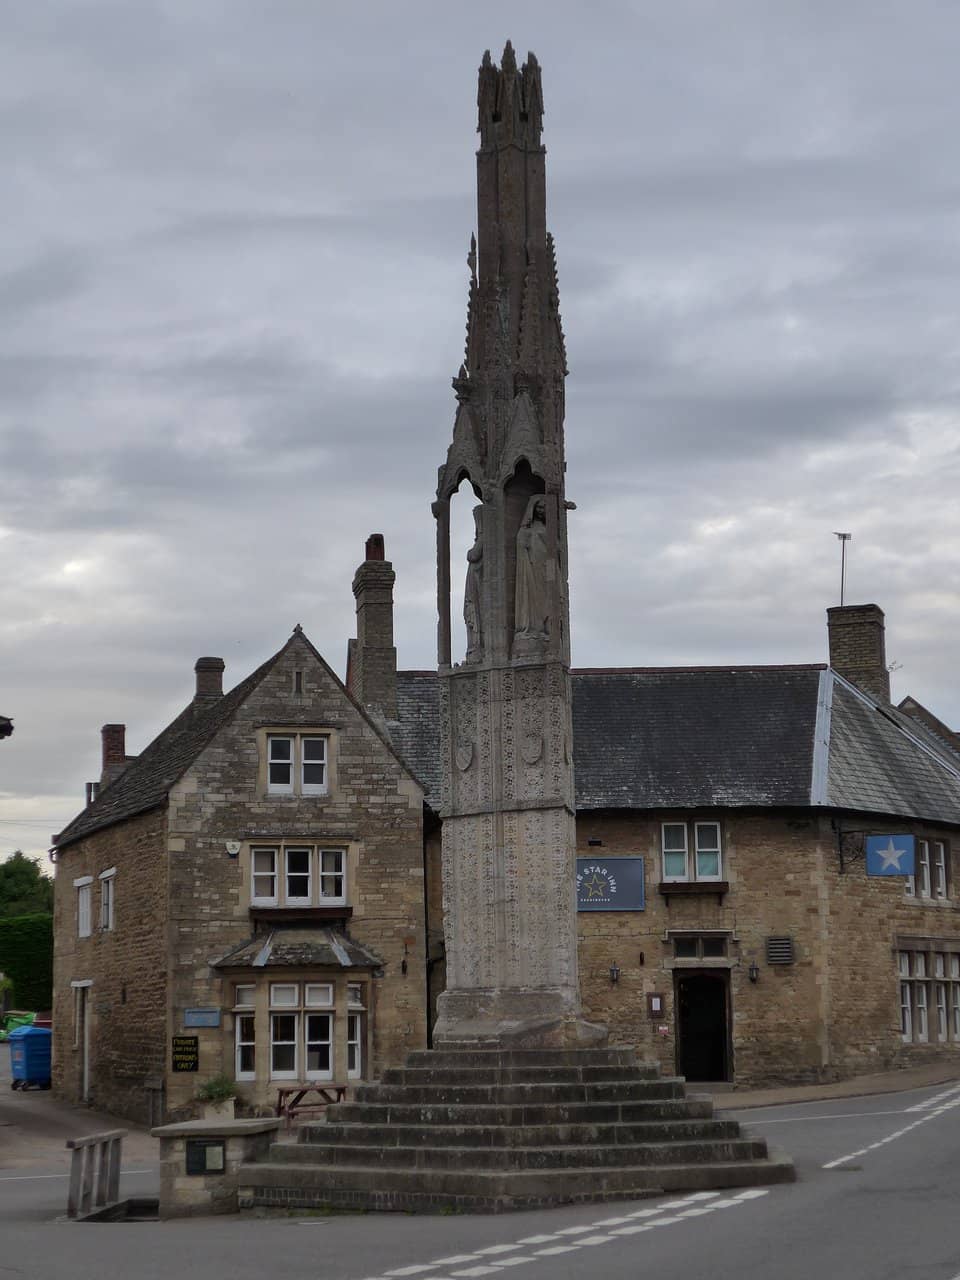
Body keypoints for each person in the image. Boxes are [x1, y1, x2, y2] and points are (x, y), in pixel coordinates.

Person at [514, 495, 549, 649]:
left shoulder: (548, 528)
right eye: (539, 507)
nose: (541, 511)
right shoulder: (527, 529)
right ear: (533, 509)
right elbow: (520, 545)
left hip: (546, 568)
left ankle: (545, 628)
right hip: (532, 567)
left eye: (544, 508)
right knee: (533, 598)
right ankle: (534, 627)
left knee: (545, 599)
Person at [464, 505, 483, 661]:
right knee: (471, 618)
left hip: (478, 589)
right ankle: (474, 648)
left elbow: (473, 555)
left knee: (475, 617)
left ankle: (476, 648)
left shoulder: (483, 541)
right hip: (473, 587)